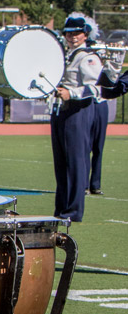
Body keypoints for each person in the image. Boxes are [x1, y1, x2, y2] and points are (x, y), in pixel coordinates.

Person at [50, 14, 102, 222]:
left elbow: (95, 87)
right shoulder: (66, 55)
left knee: (75, 162)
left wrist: (72, 93)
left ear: (85, 34)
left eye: (77, 33)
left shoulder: (88, 56)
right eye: (69, 33)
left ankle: (73, 210)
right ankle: (62, 208)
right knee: (61, 162)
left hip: (78, 110)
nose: (72, 37)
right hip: (62, 110)